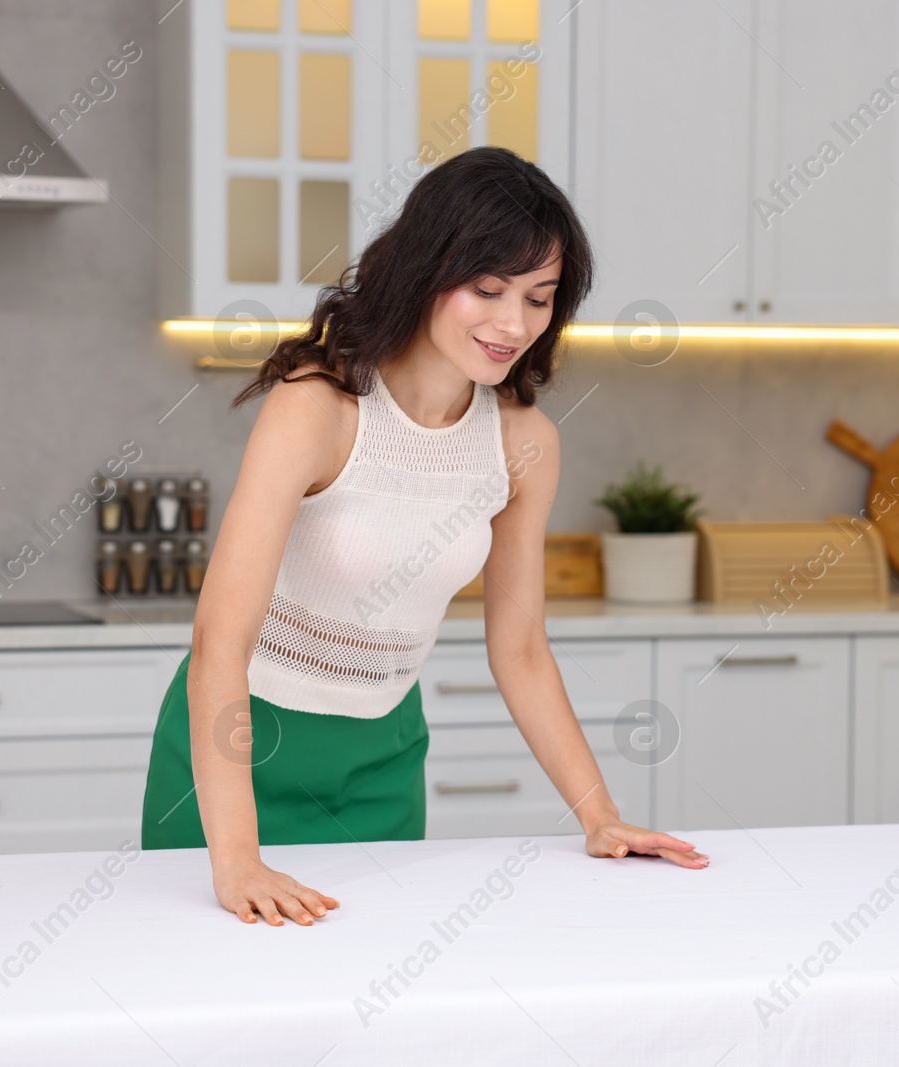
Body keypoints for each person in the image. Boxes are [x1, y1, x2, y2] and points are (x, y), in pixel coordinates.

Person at [142, 146, 707, 927]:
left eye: (540, 298)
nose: (514, 323)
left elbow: (522, 648)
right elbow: (219, 642)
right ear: (425, 268)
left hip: (384, 754)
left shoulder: (524, 444)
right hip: (239, 751)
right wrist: (236, 856)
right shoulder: (316, 411)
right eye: (488, 289)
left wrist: (598, 813)